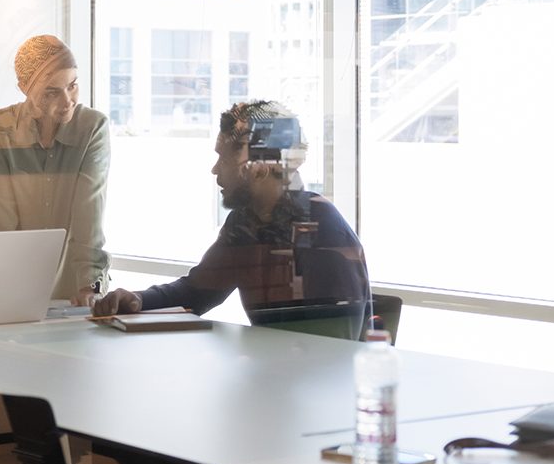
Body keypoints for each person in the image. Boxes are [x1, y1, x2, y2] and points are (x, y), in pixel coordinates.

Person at [93, 99, 370, 325]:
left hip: (314, 386)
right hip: (277, 380)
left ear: (259, 166)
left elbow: (334, 354)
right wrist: (139, 300)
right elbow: (198, 291)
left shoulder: (321, 230)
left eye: (225, 158)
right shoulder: (247, 223)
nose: (216, 169)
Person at [0, 35, 109, 305]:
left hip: (76, 291)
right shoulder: (2, 127)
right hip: (16, 288)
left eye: (73, 85)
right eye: (51, 92)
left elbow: (88, 217)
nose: (67, 100)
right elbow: (2, 219)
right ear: (24, 88)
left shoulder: (92, 128)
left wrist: (90, 286)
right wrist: (1, 288)